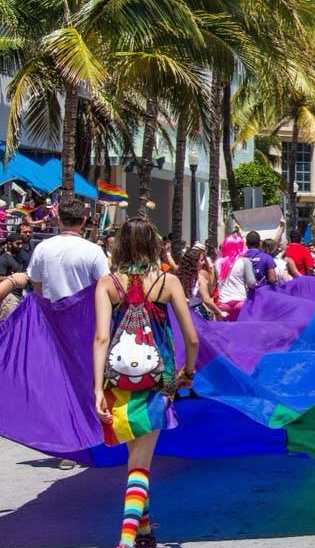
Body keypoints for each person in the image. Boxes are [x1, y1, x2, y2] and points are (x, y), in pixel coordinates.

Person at [92, 217, 199, 548]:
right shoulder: (168, 282)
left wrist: (97, 388)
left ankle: (145, 530)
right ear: (154, 245)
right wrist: (188, 373)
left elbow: (100, 337)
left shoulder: (107, 283)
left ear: (119, 244)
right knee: (140, 465)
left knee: (135, 459)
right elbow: (192, 338)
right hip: (157, 382)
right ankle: (126, 542)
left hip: (116, 382)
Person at [27, 198, 110, 302]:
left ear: (58, 219)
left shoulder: (42, 248)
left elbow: (37, 286)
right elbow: (105, 286)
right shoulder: (95, 250)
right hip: (82, 314)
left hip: (50, 313)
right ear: (84, 220)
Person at [213, 233, 256, 321]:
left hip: (223, 302)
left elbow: (215, 282)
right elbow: (251, 283)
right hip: (240, 301)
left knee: (223, 331)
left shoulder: (217, 262)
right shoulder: (245, 261)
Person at [177, 244, 225, 320]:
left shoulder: (179, 277)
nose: (203, 263)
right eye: (201, 260)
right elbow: (206, 300)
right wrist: (219, 312)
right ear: (194, 262)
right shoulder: (200, 279)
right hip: (197, 313)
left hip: (182, 313)